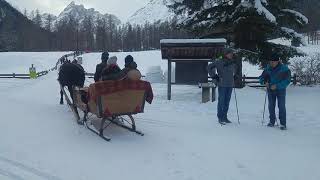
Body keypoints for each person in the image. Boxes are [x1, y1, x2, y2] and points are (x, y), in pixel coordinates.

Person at [259, 53, 291, 130]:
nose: (272, 63)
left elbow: (287, 81)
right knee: (271, 106)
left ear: (278, 61)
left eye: (273, 62)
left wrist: (277, 86)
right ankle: (271, 121)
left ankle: (283, 124)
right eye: (270, 62)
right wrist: (264, 82)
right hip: (270, 90)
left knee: (282, 106)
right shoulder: (267, 69)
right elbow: (261, 78)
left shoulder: (285, 69)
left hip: (281, 91)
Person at [207, 48, 237, 125]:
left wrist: (235, 76)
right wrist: (214, 76)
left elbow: (235, 71)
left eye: (231, 53)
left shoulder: (232, 62)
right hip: (222, 84)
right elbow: (209, 67)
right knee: (221, 101)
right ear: (225, 54)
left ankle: (225, 117)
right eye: (229, 53)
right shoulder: (219, 61)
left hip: (230, 85)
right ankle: (220, 117)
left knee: (227, 102)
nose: (231, 54)